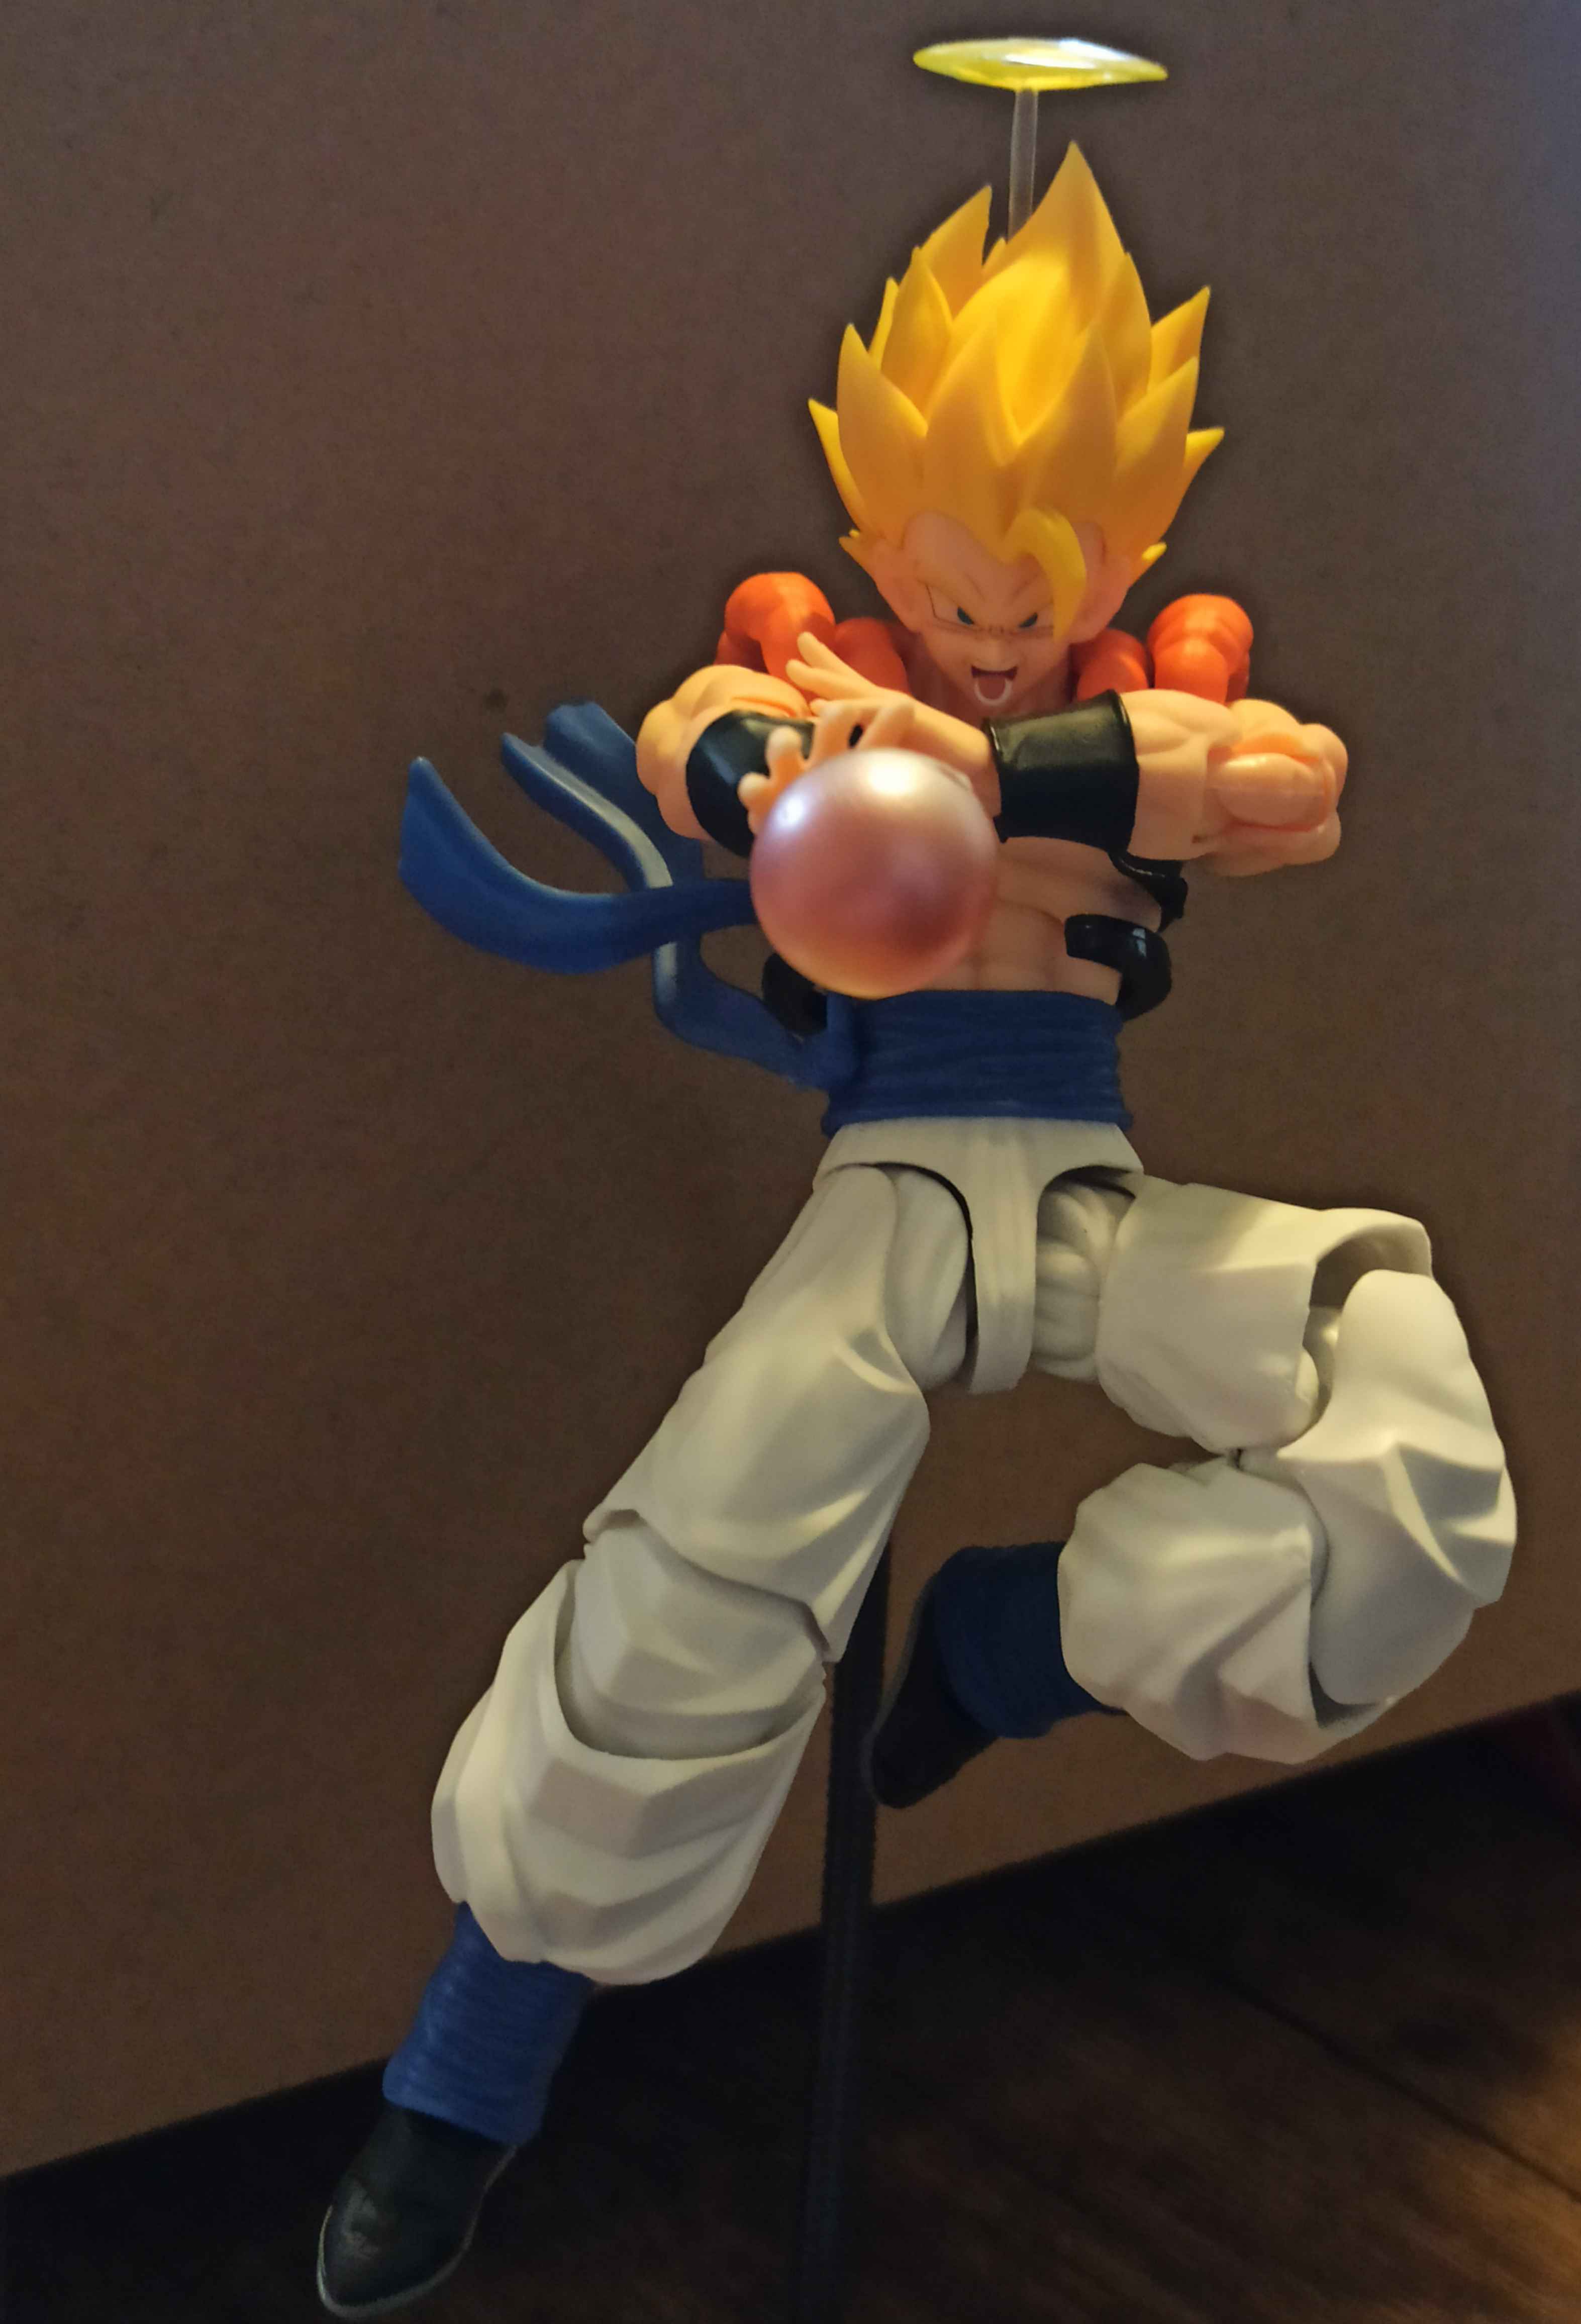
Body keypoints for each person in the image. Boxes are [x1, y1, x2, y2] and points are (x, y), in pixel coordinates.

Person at [318, 147, 1513, 2317]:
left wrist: (999, 770)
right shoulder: (804, 663)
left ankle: (1013, 1646)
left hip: (1090, 1196)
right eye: (954, 588)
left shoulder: (1165, 687)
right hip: (885, 1205)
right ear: (882, 538)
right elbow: (701, 747)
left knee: (1404, 1426)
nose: (987, 631)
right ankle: (464, 2082)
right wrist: (805, 755)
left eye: (1038, 587)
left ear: (1124, 551)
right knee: (685, 1590)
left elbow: (1279, 787)